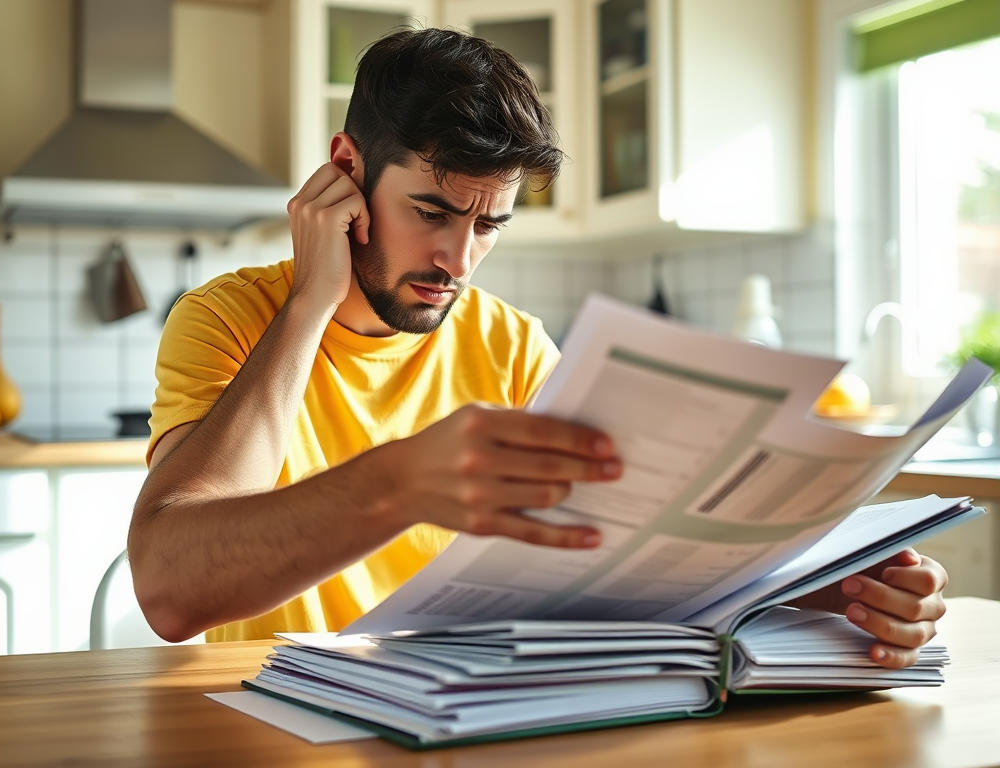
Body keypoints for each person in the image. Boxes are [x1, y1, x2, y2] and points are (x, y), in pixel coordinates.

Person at [128, 28, 947, 670]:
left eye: (489, 226)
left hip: (459, 719)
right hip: (266, 718)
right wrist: (312, 304)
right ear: (346, 171)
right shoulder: (228, 318)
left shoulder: (513, 346)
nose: (457, 260)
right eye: (432, 211)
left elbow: (624, 560)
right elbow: (171, 591)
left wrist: (806, 591)